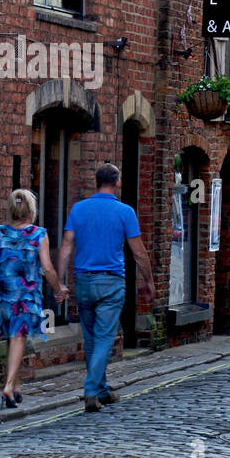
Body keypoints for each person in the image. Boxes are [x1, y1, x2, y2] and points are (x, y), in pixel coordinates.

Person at [58, 163, 154, 412]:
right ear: (118, 182)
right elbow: (138, 252)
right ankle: (91, 390)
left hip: (84, 282)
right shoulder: (125, 211)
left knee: (91, 337)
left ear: (96, 181)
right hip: (111, 282)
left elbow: (66, 246)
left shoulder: (78, 209)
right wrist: (149, 280)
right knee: (104, 338)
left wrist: (59, 281)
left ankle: (101, 389)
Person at [0, 189, 67, 409]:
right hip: (25, 295)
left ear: (11, 209)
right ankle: (8, 386)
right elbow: (47, 268)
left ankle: (17, 385)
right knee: (19, 337)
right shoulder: (38, 234)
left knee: (13, 339)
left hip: (2, 294)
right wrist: (59, 289)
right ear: (31, 210)